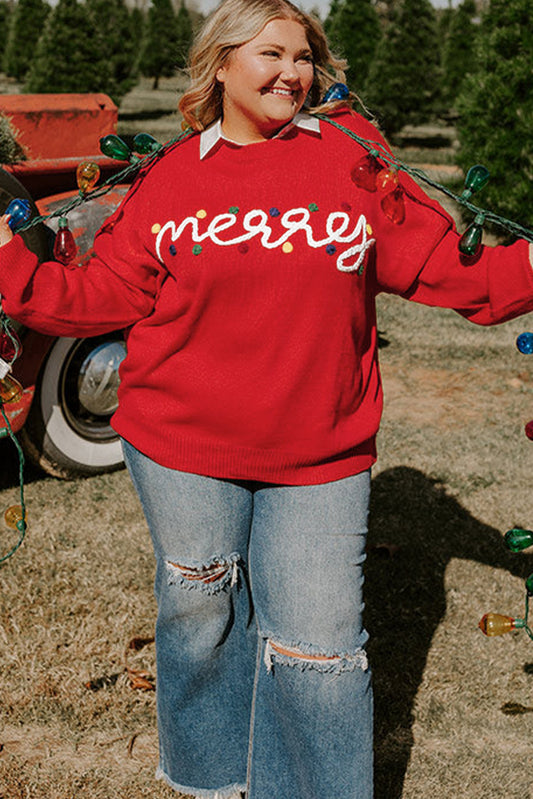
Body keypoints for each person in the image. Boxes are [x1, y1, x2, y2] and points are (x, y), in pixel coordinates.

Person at [1, 0, 533, 796]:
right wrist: (13, 267)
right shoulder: (174, 176)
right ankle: (211, 778)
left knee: (320, 651)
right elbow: (108, 292)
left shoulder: (354, 167)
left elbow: (442, 269)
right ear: (219, 65)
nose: (292, 71)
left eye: (303, 56)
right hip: (181, 448)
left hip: (319, 455)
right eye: (270, 53)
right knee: (200, 613)